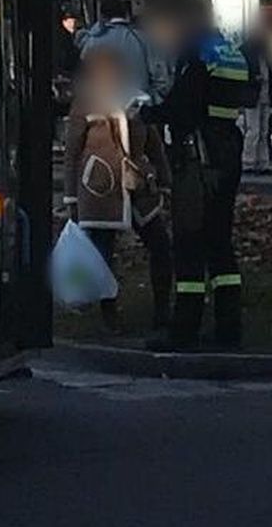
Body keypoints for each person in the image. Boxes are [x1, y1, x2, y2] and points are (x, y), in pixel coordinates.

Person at [143, 0, 248, 349]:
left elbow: (182, 107)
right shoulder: (230, 51)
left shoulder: (197, 53)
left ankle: (184, 329)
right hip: (228, 152)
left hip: (197, 156)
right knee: (220, 242)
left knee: (188, 242)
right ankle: (228, 326)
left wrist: (146, 114)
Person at [62, 49, 173, 333]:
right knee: (103, 252)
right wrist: (71, 197)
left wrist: (163, 177)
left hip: (136, 186)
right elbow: (72, 153)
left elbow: (154, 142)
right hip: (100, 189)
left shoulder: (138, 99)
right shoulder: (84, 103)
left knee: (160, 244)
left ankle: (163, 311)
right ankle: (109, 315)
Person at [76, 0, 171, 103]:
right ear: (126, 13)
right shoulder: (143, 39)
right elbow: (162, 79)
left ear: (101, 15)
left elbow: (84, 78)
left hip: (101, 108)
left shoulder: (92, 41)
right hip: (138, 109)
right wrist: (147, 103)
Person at [240, 26, 272, 175]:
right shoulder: (248, 51)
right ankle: (248, 162)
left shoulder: (264, 51)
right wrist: (254, 79)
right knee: (253, 130)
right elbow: (244, 73)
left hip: (264, 94)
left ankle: (262, 162)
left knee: (263, 131)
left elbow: (271, 70)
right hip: (253, 95)